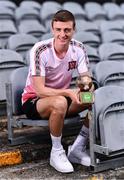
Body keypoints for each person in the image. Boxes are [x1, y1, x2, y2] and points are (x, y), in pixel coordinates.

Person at [21, 10, 94, 173]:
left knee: (95, 100)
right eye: (59, 30)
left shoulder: (79, 48)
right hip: (34, 101)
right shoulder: (40, 50)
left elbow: (86, 80)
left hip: (63, 97)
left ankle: (78, 147)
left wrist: (87, 88)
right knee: (60, 101)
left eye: (67, 30)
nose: (63, 34)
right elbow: (39, 90)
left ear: (73, 29)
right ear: (53, 29)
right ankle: (56, 152)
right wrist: (69, 92)